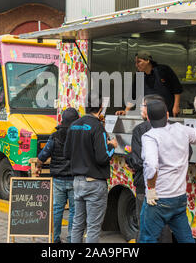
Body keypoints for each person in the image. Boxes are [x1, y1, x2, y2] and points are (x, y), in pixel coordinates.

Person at [139, 96, 196, 243]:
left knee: (147, 238)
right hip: (179, 197)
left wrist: (151, 189)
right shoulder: (181, 129)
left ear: (149, 119)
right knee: (186, 239)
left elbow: (151, 165)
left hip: (159, 198)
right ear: (168, 115)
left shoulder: (149, 136)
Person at [64, 94, 118, 243]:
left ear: (85, 107)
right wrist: (112, 146)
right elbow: (102, 157)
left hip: (77, 182)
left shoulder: (73, 125)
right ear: (101, 108)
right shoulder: (97, 127)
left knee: (77, 224)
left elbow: (66, 153)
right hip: (94, 183)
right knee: (93, 227)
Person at [126, 94, 173, 243]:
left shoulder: (141, 130)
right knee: (164, 226)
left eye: (142, 105)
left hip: (145, 185)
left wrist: (129, 158)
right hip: (168, 185)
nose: (140, 108)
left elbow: (139, 161)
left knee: (145, 225)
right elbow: (187, 153)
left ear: (150, 109)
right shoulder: (174, 129)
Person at [35, 107, 80, 243]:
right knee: (74, 211)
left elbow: (42, 156)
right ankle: (72, 239)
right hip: (74, 179)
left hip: (58, 180)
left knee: (57, 210)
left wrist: (38, 167)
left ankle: (54, 238)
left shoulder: (55, 136)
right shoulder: (78, 136)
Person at [117, 50, 183, 117]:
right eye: (135, 63)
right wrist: (126, 111)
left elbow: (177, 89)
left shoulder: (163, 70)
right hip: (148, 114)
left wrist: (176, 106)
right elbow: (133, 95)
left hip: (167, 112)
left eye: (139, 62)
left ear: (147, 61)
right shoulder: (138, 75)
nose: (136, 65)